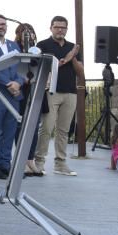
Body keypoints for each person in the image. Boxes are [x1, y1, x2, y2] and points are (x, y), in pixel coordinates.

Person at [33, 17, 82, 177]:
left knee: (64, 130)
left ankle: (60, 163)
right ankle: (39, 162)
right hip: (50, 91)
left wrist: (72, 56)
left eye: (63, 27)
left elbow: (80, 71)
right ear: (51, 28)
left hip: (70, 92)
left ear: (67, 29)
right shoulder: (42, 45)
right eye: (57, 27)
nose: (60, 30)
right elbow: (37, 67)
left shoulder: (72, 47)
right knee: (46, 128)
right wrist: (65, 59)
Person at [0, 16, 24, 180]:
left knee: (9, 131)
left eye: (3, 24)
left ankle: (5, 164)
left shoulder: (14, 45)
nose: (0, 27)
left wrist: (18, 83)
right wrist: (8, 83)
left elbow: (22, 68)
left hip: (14, 95)